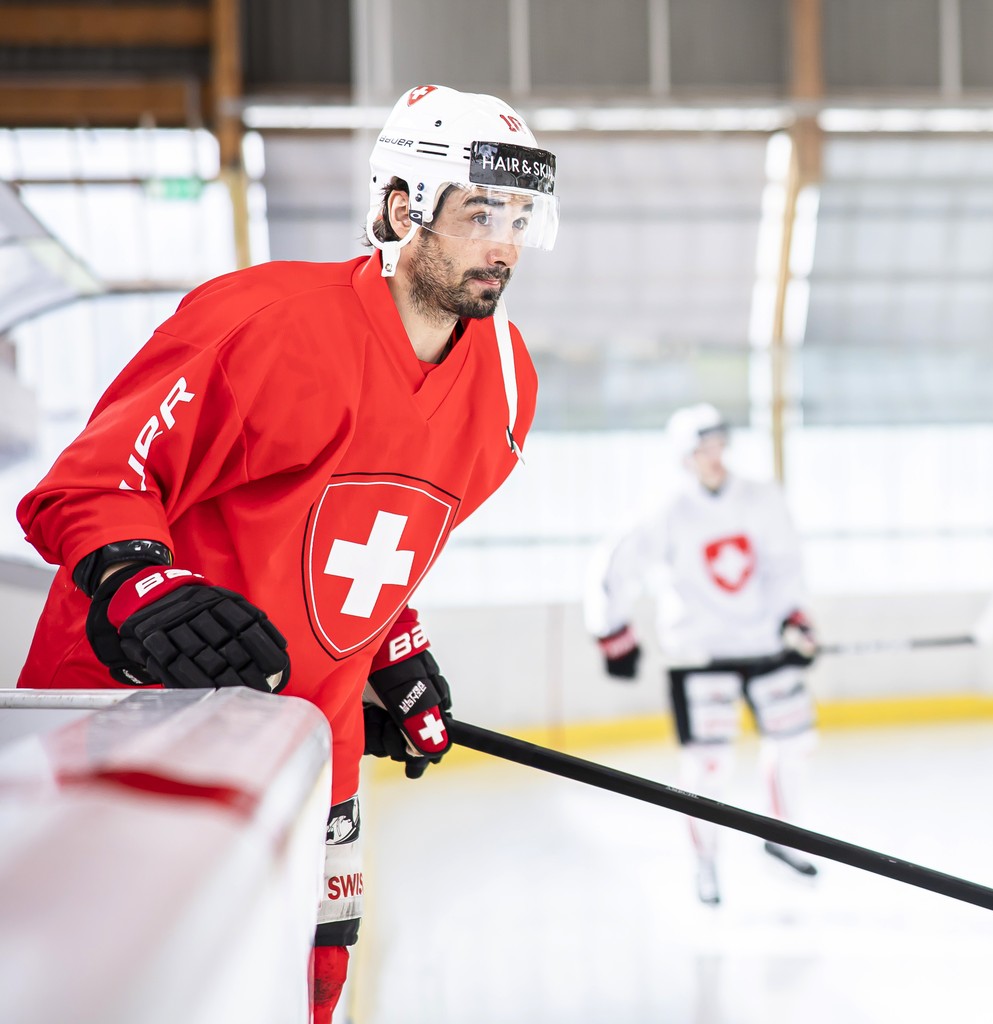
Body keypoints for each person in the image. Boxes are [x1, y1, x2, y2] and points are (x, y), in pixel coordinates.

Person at [14, 83, 554, 1022]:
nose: (503, 243)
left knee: (314, 987)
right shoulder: (268, 323)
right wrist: (139, 581)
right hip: (142, 721)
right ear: (403, 210)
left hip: (313, 734)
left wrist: (393, 650)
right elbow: (86, 483)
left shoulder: (507, 388)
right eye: (478, 214)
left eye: (519, 215)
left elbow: (375, 539)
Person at [585, 403, 821, 906]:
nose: (714, 458)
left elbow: (785, 564)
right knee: (708, 765)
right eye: (701, 449)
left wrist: (794, 615)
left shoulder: (761, 498)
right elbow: (618, 564)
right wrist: (611, 629)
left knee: (796, 742)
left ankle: (782, 838)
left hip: (764, 643)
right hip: (699, 652)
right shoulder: (667, 509)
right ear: (683, 457)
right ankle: (706, 862)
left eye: (719, 446)